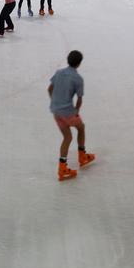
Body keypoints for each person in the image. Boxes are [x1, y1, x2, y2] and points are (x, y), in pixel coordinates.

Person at [47, 49, 94, 181]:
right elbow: (79, 99)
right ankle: (82, 155)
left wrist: (55, 102)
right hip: (68, 112)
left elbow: (49, 89)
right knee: (81, 128)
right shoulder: (78, 79)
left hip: (56, 111)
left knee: (67, 137)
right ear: (79, 64)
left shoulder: (59, 72)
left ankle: (62, 167)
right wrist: (76, 111)